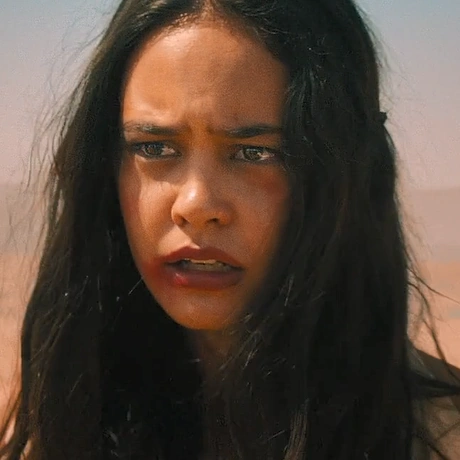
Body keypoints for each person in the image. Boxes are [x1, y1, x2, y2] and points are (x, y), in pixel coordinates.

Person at [1, 0, 459, 458]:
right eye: (154, 147)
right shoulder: (64, 418)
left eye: (255, 153)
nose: (195, 206)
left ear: (344, 175)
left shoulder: (441, 434)